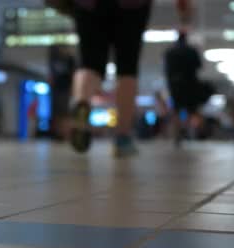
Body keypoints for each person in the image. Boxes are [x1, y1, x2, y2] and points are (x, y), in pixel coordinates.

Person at [67, 0, 192, 157]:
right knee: (127, 69)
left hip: (88, 4)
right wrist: (183, 8)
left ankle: (81, 101)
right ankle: (122, 138)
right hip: (132, 5)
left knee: (88, 64)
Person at [164, 30, 211, 146]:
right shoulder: (191, 51)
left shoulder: (170, 52)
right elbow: (199, 67)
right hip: (190, 84)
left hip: (175, 85)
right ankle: (191, 131)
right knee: (192, 110)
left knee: (176, 110)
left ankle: (177, 134)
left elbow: (166, 71)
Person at [49, 45, 76, 141]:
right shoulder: (54, 58)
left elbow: (73, 74)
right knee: (57, 113)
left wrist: (73, 88)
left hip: (66, 88)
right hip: (56, 89)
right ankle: (58, 133)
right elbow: (52, 74)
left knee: (65, 113)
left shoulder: (70, 60)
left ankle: (66, 134)